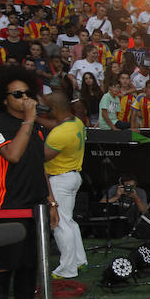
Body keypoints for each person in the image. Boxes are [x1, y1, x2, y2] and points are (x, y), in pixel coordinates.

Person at [0, 66, 60, 299]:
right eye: (18, 94)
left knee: (30, 264)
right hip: (6, 208)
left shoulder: (36, 129)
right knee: (6, 267)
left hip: (35, 206)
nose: (25, 98)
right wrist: (30, 120)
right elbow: (13, 155)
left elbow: (40, 166)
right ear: (4, 98)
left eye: (28, 93)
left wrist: (51, 202)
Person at [43, 93, 87, 280]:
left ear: (54, 110)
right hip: (72, 176)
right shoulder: (76, 122)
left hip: (59, 179)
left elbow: (40, 157)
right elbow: (56, 125)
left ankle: (67, 269)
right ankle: (78, 260)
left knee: (59, 223)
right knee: (68, 221)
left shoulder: (59, 134)